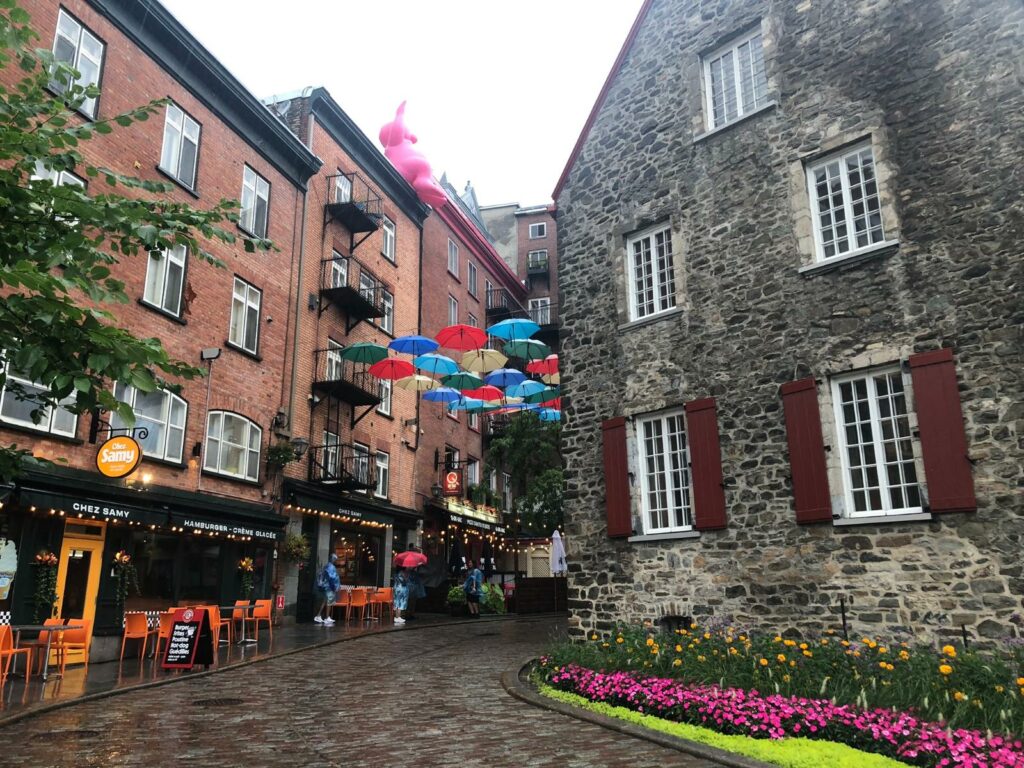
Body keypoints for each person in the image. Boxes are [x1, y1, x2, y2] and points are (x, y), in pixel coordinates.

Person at [314, 553, 341, 626]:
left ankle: (318, 616)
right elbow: (332, 578)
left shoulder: (327, 565)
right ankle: (326, 617)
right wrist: (334, 587)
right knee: (329, 601)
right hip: (329, 587)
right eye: (335, 559)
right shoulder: (331, 567)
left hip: (326, 586)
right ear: (333, 559)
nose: (336, 561)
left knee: (325, 601)